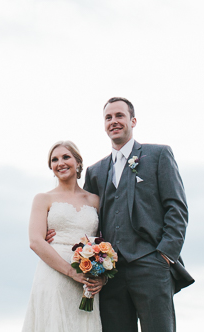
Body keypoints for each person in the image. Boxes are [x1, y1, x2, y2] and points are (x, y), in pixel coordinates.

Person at [47, 98, 194, 332]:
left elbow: (177, 207)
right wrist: (56, 231)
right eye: (108, 118)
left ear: (132, 121)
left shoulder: (158, 155)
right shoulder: (96, 172)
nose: (113, 121)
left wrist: (165, 255)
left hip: (151, 264)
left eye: (119, 116)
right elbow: (88, 217)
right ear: (104, 125)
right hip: (110, 274)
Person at [21, 141, 104, 332]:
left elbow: (105, 241)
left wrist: (102, 278)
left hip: (87, 281)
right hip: (54, 275)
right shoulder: (43, 199)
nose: (60, 163)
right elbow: (35, 241)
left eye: (66, 157)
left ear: (78, 163)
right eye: (54, 160)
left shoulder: (95, 200)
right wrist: (71, 272)